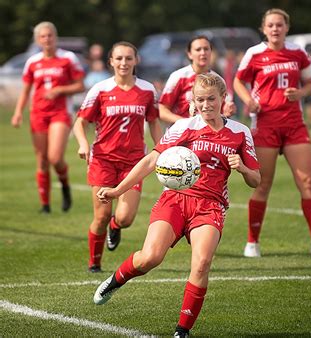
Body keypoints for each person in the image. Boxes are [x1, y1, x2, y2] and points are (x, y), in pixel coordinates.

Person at [93, 73, 260, 337]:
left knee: (202, 263)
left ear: (223, 99)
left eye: (211, 99)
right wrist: (117, 190)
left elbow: (256, 179)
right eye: (201, 100)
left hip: (211, 205)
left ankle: (182, 330)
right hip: (175, 200)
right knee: (150, 258)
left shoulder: (240, 132)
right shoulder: (184, 127)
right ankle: (116, 280)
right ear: (194, 102)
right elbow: (151, 161)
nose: (206, 105)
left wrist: (242, 169)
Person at [233, 8, 311, 258]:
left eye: (279, 25)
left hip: (293, 125)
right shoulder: (254, 53)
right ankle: (252, 243)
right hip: (266, 125)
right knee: (263, 184)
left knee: (307, 183)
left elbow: (310, 84)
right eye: (270, 25)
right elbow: (238, 82)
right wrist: (249, 101)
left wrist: (300, 94)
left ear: (286, 28)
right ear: (264, 28)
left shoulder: (298, 52)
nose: (275, 29)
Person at [73, 41, 162, 273]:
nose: (124, 63)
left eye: (128, 58)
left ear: (136, 61)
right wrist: (83, 144)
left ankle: (116, 226)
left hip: (134, 162)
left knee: (125, 218)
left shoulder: (147, 90)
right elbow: (80, 122)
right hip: (103, 160)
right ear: (111, 61)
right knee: (101, 216)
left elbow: (153, 121)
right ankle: (95, 263)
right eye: (119, 58)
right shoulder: (100, 90)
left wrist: (163, 148)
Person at [11, 21, 85, 213]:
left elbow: (80, 85)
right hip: (38, 113)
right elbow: (26, 90)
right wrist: (18, 112)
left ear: (56, 37)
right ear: (37, 40)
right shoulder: (32, 62)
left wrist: (60, 89)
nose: (47, 39)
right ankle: (45, 205)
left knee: (54, 157)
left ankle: (65, 185)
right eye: (42, 36)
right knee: (42, 160)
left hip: (60, 112)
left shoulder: (68, 58)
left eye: (50, 35)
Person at [159, 35, 236, 124]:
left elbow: (222, 113)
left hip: (209, 134)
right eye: (198, 49)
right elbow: (162, 111)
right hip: (183, 134)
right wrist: (185, 123)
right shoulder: (179, 76)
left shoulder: (218, 80)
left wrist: (228, 111)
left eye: (206, 49)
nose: (203, 53)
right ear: (189, 54)